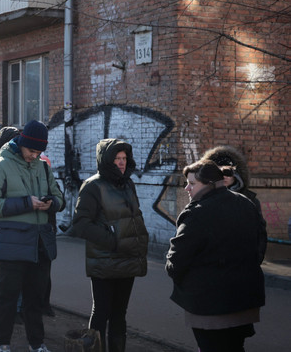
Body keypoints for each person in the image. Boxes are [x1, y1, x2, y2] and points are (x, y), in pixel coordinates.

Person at [166, 159, 266, 352]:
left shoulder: (198, 213)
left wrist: (186, 280)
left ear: (210, 185)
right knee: (235, 347)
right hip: (244, 299)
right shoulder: (245, 203)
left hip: (209, 305)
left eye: (192, 183)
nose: (187, 188)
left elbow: (176, 260)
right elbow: (260, 244)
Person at [0, 120, 63, 352]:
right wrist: (27, 203)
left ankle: (36, 343)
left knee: (35, 299)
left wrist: (51, 203)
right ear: (21, 144)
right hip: (12, 243)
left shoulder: (43, 167)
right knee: (7, 297)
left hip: (40, 243)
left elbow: (60, 197)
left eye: (39, 152)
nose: (34, 155)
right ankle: (3, 344)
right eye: (31, 150)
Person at [69, 139, 149, 352]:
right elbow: (81, 225)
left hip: (128, 259)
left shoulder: (128, 184)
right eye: (116, 158)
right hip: (104, 261)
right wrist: (113, 242)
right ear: (106, 160)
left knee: (119, 315)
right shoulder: (93, 186)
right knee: (101, 312)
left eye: (124, 158)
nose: (121, 163)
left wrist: (139, 242)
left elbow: (133, 218)